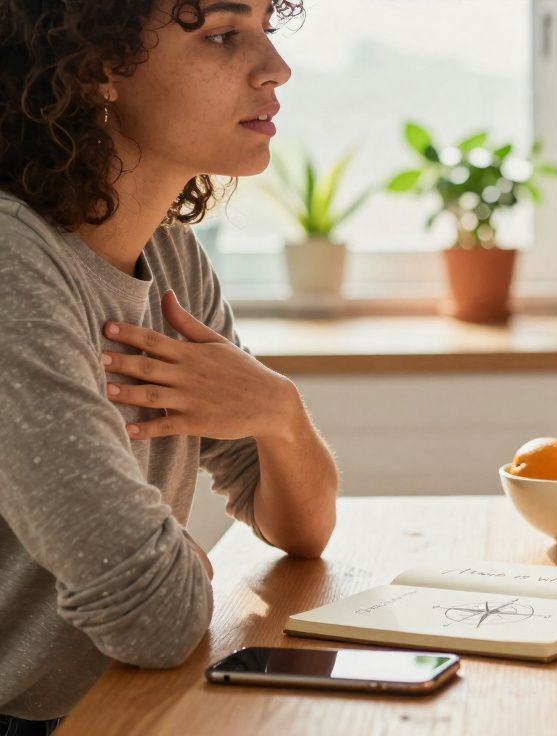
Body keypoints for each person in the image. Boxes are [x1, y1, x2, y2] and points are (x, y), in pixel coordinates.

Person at [0, 1, 338, 730]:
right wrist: (159, 565)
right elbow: (155, 617)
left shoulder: (170, 253)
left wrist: (280, 412)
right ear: (96, 68)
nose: (276, 69)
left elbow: (301, 528)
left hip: (114, 703)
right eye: (222, 36)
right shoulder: (12, 269)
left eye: (265, 31)